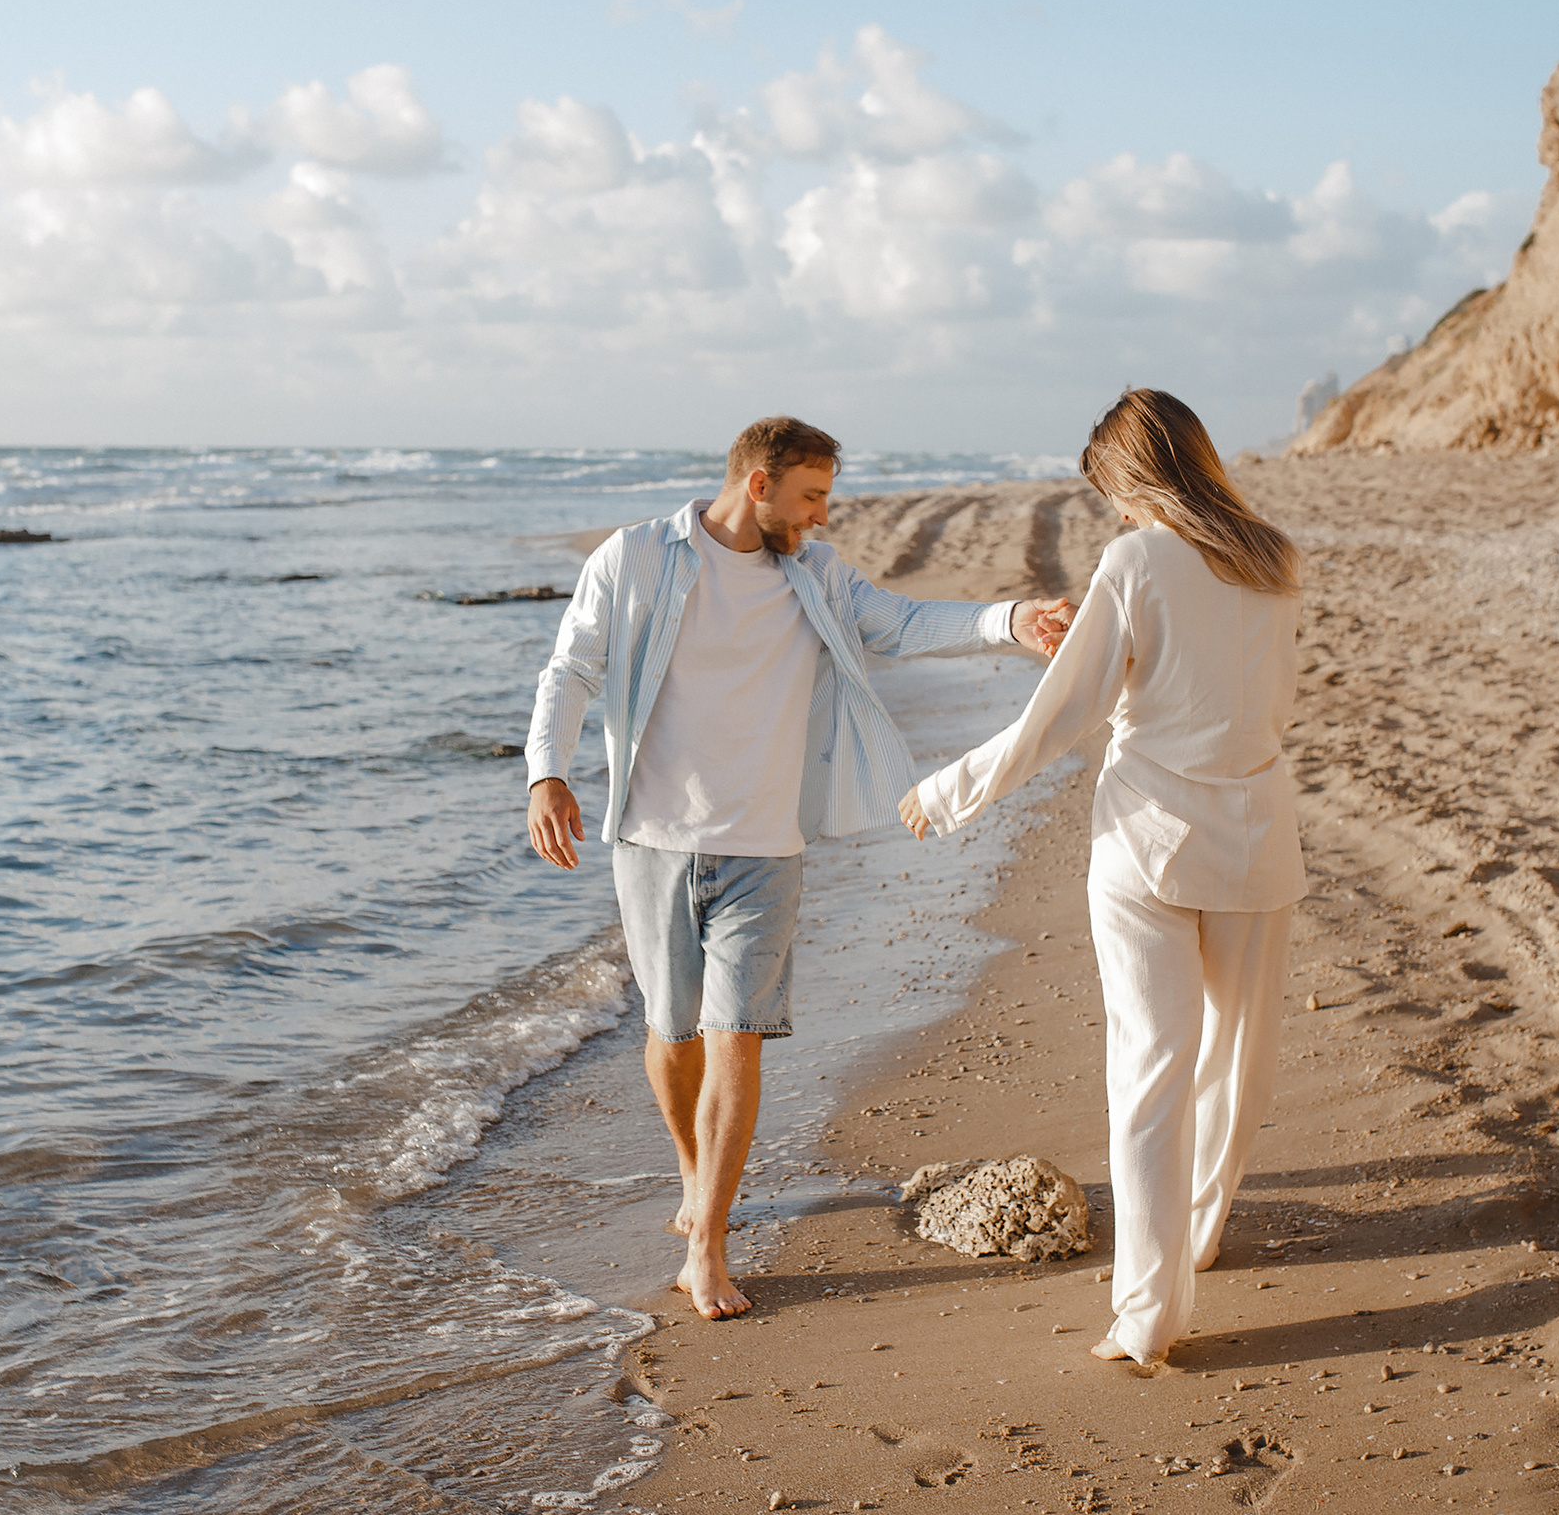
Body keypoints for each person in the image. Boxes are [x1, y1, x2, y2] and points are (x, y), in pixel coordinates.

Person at [525, 416, 1073, 1320]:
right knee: (672, 1034)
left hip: (766, 846)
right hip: (653, 836)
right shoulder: (636, 558)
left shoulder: (813, 576)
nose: (823, 516)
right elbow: (571, 666)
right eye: (811, 495)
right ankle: (695, 1177)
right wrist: (548, 771)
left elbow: (900, 624)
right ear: (759, 484)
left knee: (736, 1032)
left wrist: (1012, 619)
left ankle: (708, 1241)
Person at [901, 388, 1303, 1366]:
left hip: (1148, 835)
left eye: (1112, 495)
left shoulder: (1133, 560)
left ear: (1132, 479)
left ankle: (1149, 1314)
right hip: (1257, 830)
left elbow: (1059, 717)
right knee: (1232, 1060)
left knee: (1149, 1071)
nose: (1115, 516)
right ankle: (1198, 1240)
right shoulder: (1275, 560)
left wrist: (952, 791)